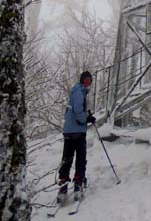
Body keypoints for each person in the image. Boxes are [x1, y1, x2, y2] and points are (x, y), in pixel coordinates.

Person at [57, 71, 97, 202]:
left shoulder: (76, 91)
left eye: (90, 81)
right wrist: (86, 119)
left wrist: (86, 116)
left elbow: (74, 109)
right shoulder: (79, 91)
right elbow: (78, 110)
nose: (88, 82)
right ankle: (78, 184)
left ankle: (63, 185)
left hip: (69, 130)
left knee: (67, 157)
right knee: (80, 157)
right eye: (86, 80)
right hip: (78, 130)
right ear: (82, 80)